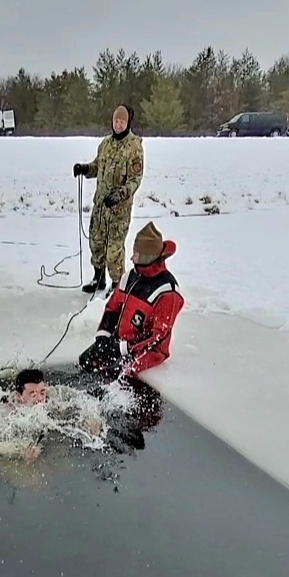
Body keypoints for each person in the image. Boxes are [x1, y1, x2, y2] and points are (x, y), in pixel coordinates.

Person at [79, 221, 184, 382]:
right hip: (119, 341)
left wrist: (122, 349)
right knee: (87, 360)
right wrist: (103, 337)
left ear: (148, 257)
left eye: (136, 254)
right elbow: (112, 308)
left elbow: (158, 335)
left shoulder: (168, 292)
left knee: (113, 374)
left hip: (149, 350)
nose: (132, 257)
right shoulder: (130, 277)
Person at [73, 105, 144, 295]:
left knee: (114, 250)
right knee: (96, 243)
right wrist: (84, 169)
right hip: (101, 207)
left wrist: (120, 195)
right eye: (116, 121)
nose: (118, 125)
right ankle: (99, 278)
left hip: (119, 210)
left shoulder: (134, 147)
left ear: (127, 123)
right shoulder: (105, 144)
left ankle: (117, 286)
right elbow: (97, 166)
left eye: (122, 121)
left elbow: (135, 179)